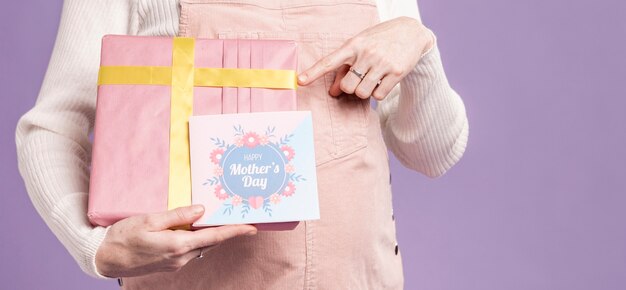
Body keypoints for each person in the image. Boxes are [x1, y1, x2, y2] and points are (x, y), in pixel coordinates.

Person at [16, 0, 469, 289]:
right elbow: (54, 125)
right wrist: (91, 247)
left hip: (358, 278)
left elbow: (432, 154)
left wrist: (419, 44)